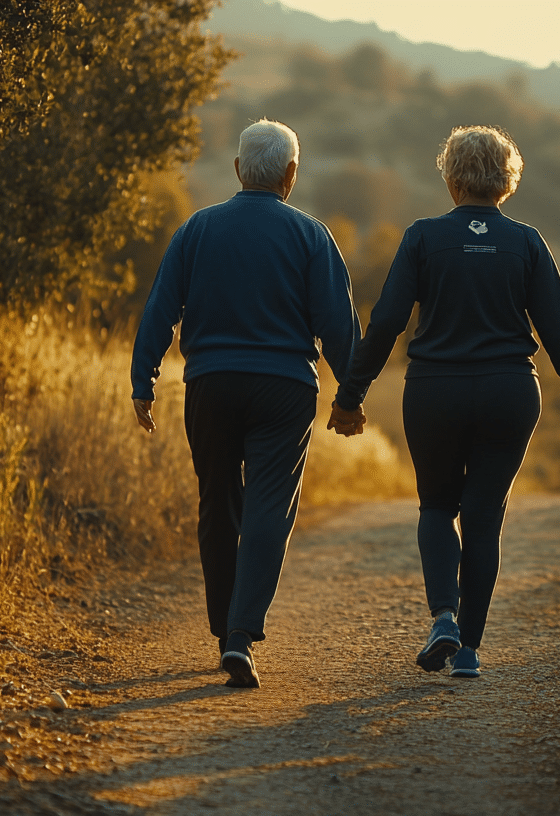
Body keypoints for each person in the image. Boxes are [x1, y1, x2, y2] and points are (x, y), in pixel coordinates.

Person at [329, 125, 560, 679]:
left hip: (435, 392)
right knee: (482, 517)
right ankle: (469, 652)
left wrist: (351, 394)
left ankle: (444, 618)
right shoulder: (527, 242)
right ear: (506, 181)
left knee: (435, 507)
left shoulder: (423, 238)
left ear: (451, 180)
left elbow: (386, 323)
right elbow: (559, 330)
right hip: (509, 393)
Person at [131, 119, 363, 689]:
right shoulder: (311, 236)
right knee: (268, 506)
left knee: (218, 501)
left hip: (209, 384)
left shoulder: (196, 230)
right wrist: (351, 396)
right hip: (284, 389)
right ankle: (241, 635)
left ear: (237, 170)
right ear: (291, 174)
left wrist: (143, 382)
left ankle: (221, 630)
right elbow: (338, 325)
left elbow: (160, 309)